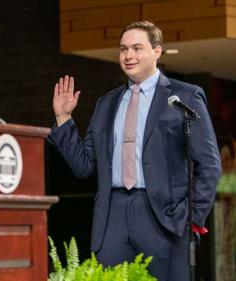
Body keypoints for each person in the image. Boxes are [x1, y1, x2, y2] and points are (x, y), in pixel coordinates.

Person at [48, 21, 221, 281]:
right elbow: (84, 166)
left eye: (137, 48)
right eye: (123, 49)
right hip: (113, 218)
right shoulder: (106, 104)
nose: (129, 56)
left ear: (157, 52)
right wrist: (63, 118)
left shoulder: (185, 96)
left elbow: (209, 164)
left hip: (164, 218)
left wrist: (192, 217)